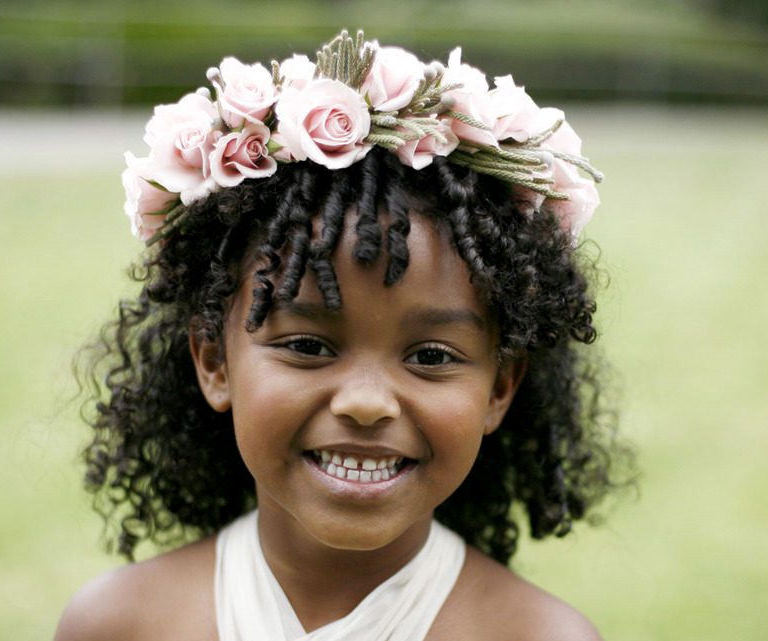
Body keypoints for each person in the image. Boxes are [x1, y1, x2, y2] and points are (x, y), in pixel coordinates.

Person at [55, 30, 630, 641]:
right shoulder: (119, 624)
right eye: (307, 346)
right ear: (213, 361)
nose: (365, 401)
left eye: (432, 356)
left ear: (500, 388)